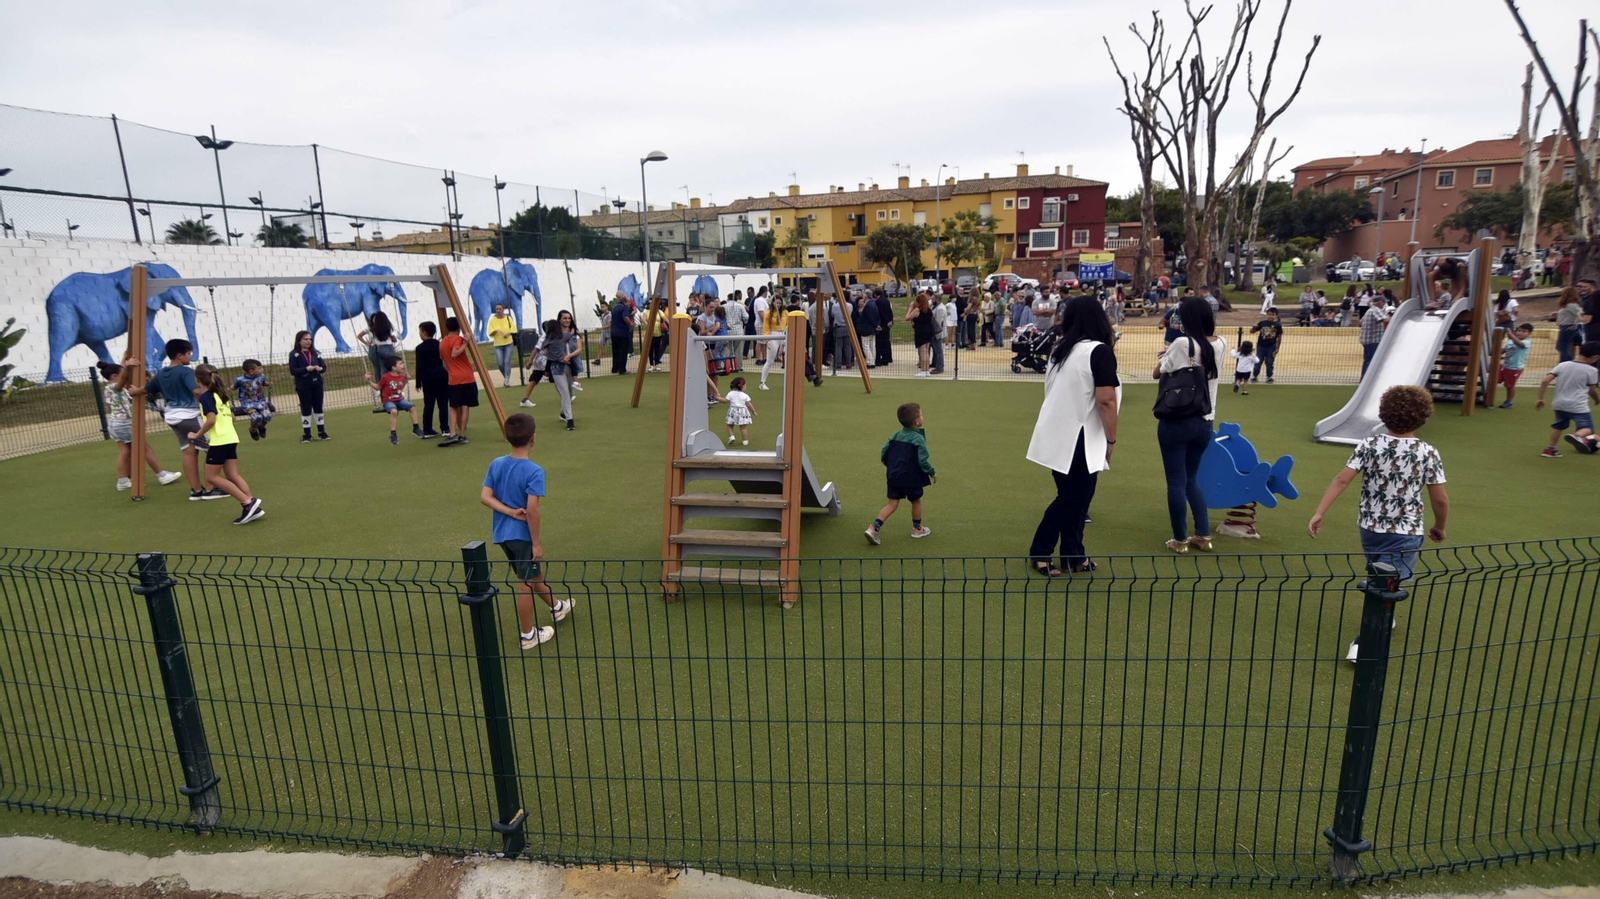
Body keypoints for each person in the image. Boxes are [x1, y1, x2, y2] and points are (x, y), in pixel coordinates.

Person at [1307, 384, 1448, 662]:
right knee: (1388, 584)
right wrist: (1440, 526)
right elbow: (1440, 499)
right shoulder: (1427, 452)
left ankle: (1386, 613)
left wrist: (1320, 511)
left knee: (1381, 577)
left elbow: (1342, 479)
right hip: (1406, 531)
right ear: (1424, 417)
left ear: (1383, 414)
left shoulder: (1370, 445)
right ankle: (1363, 643)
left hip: (1370, 528)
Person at [1025, 295, 1120, 576]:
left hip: (1058, 435)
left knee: (1076, 497)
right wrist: (1111, 439)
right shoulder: (1099, 351)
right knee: (1074, 498)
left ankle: (1073, 555)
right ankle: (1041, 551)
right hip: (1081, 437)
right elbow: (1106, 401)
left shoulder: (1061, 350)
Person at [480, 413, 576, 650]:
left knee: (533, 576)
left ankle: (557, 607)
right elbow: (532, 511)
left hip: (502, 535)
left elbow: (485, 497)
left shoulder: (497, 463)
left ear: (506, 437)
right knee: (524, 582)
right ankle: (528, 636)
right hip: (522, 537)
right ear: (534, 438)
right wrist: (536, 543)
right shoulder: (535, 471)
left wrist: (509, 512)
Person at [1152, 297, 1225, 554]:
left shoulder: (1182, 343)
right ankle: (1203, 535)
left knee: (1175, 481)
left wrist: (1165, 357)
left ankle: (1180, 539)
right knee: (1192, 478)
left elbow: (1157, 373)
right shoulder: (1221, 343)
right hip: (1205, 419)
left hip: (1177, 419)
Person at [129, 338, 215, 500]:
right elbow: (196, 390)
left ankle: (196, 491)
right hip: (189, 415)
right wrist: (215, 398)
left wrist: (134, 391)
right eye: (189, 353)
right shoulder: (186, 371)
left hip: (173, 417)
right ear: (180, 356)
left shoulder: (162, 373)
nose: (190, 356)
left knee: (188, 451)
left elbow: (147, 389)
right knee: (212, 450)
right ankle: (212, 489)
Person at [189, 364, 265, 525]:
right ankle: (252, 506)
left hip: (220, 442)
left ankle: (247, 503)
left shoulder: (206, 396)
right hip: (230, 438)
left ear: (197, 379)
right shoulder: (220, 395)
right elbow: (232, 417)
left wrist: (197, 435)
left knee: (211, 477)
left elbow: (211, 420)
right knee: (232, 475)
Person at [98, 359, 182, 492]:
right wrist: (127, 367)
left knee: (125, 452)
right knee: (145, 449)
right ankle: (162, 475)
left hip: (116, 423)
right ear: (114, 376)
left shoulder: (109, 389)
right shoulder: (114, 388)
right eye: (122, 375)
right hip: (125, 423)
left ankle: (123, 481)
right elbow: (123, 378)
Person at [864, 402, 935, 545]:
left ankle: (873, 528)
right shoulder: (918, 438)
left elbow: (884, 451)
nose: (922, 416)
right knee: (916, 501)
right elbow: (923, 460)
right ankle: (917, 529)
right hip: (912, 478)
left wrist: (889, 465)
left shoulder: (896, 435)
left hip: (894, 475)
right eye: (921, 414)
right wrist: (932, 472)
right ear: (917, 422)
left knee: (891, 504)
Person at [1535, 341, 1600, 457]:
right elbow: (1592, 390)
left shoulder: (1562, 365)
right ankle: (1577, 436)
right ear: (1596, 357)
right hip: (1578, 405)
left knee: (1558, 426)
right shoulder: (1592, 371)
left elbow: (1545, 380)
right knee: (1588, 428)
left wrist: (1540, 398)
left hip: (1559, 404)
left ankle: (1551, 450)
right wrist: (1597, 399)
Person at [364, 356, 423, 444]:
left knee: (412, 407)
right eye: (400, 364)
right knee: (394, 411)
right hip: (388, 400)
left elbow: (400, 388)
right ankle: (393, 434)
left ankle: (416, 428)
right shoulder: (385, 377)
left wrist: (406, 380)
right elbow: (378, 387)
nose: (403, 365)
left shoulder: (402, 376)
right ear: (394, 367)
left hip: (399, 399)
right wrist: (369, 381)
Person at [439, 316, 477, 447]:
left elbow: (444, 363)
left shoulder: (442, 342)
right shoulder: (458, 339)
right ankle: (462, 435)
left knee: (454, 406)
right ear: (459, 328)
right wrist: (465, 343)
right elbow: (455, 353)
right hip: (466, 377)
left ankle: (452, 433)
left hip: (453, 378)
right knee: (465, 405)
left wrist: (452, 371)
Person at [288, 330, 331, 443]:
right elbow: (293, 370)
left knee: (318, 407)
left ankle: (322, 432)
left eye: (310, 339)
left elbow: (324, 367)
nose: (308, 341)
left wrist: (320, 368)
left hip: (317, 383)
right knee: (306, 408)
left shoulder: (315, 353)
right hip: (303, 384)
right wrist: (307, 369)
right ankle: (307, 434)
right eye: (305, 339)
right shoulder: (294, 354)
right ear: (299, 341)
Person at [356, 311, 401, 412]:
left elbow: (359, 336)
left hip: (377, 349)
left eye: (375, 319)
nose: (374, 320)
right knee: (389, 371)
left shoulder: (372, 329)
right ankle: (391, 392)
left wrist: (367, 343)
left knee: (380, 371)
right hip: (386, 350)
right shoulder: (387, 328)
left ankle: (382, 391)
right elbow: (393, 340)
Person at [414, 321, 450, 438]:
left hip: (428, 379)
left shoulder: (420, 348)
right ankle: (445, 428)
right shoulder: (440, 345)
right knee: (443, 403)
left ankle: (427, 429)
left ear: (424, 333)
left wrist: (418, 382)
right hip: (442, 377)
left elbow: (419, 365)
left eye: (420, 331)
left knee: (429, 404)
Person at [232, 359, 273, 440]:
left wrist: (268, 384)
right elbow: (234, 387)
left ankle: (261, 427)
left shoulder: (261, 377)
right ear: (251, 371)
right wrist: (229, 389)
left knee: (267, 415)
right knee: (256, 417)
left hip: (260, 401)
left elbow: (263, 383)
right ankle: (253, 429)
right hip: (247, 403)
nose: (262, 370)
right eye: (259, 368)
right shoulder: (240, 380)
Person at [1498, 323, 1535, 409]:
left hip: (1515, 368)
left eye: (1524, 331)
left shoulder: (1526, 342)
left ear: (1529, 334)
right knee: (1494, 379)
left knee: (1510, 385)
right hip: (1506, 366)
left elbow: (1520, 344)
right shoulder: (1510, 342)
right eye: (1519, 330)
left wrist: (1511, 335)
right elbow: (1502, 351)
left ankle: (1509, 402)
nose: (1520, 333)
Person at [485, 303, 518, 387]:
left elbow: (513, 329)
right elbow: (490, 332)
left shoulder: (508, 318)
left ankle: (507, 379)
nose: (498, 311)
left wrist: (509, 333)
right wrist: (496, 331)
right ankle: (506, 376)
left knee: (507, 361)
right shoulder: (493, 320)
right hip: (498, 344)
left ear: (503, 309)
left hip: (508, 343)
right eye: (497, 309)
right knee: (500, 363)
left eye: (500, 309)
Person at [1249, 308, 1283, 383]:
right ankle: (1255, 376)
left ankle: (1269, 376)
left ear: (1276, 315)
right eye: (1270, 314)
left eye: (1273, 315)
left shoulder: (1278, 325)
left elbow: (1279, 337)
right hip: (1261, 345)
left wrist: (1277, 348)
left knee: (1270, 361)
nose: (1271, 316)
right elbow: (1252, 331)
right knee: (1258, 361)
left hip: (1271, 346)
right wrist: (1254, 328)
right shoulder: (1262, 323)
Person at [1358, 294, 1389, 377]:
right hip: (1373, 340)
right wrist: (1394, 315)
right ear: (1379, 303)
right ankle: (1367, 377)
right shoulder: (1375, 310)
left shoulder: (1370, 310)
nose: (1384, 303)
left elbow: (1361, 321)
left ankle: (1364, 377)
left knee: (1368, 359)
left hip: (1366, 339)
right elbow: (1386, 320)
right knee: (1371, 360)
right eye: (1383, 302)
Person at [758, 301, 786, 390]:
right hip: (773, 335)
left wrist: (784, 342)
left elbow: (788, 325)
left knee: (788, 360)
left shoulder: (785, 312)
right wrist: (767, 339)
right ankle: (762, 382)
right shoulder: (768, 313)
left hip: (783, 334)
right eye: (776, 303)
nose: (778, 305)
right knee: (770, 361)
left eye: (779, 303)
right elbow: (766, 328)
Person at [907, 293, 936, 378]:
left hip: (921, 331)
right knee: (926, 351)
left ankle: (923, 370)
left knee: (923, 351)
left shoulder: (917, 310)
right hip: (928, 330)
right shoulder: (929, 310)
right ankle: (926, 370)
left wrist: (910, 308)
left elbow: (907, 317)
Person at [1555, 287, 1584, 363]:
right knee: (1566, 346)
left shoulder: (1571, 305)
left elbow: (1580, 314)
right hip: (1565, 326)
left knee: (1561, 346)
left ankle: (1568, 361)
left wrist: (1575, 323)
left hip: (1567, 326)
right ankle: (1568, 361)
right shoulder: (1568, 305)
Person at [724, 376, 756, 445]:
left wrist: (718, 398)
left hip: (733, 411)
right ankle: (745, 441)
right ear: (742, 386)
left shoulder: (731, 393)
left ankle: (732, 436)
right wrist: (753, 411)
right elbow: (749, 405)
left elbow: (725, 401)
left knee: (730, 425)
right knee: (743, 427)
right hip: (743, 412)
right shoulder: (745, 395)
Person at [609, 292, 635, 375]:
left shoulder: (615, 308)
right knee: (623, 351)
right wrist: (631, 325)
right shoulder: (624, 308)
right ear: (625, 302)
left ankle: (615, 368)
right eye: (628, 302)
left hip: (613, 333)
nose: (630, 303)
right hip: (622, 333)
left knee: (615, 351)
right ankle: (622, 369)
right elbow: (625, 317)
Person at [723, 289, 746, 372]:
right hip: (738, 331)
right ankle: (739, 367)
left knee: (727, 349)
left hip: (727, 330)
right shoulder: (741, 306)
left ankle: (727, 367)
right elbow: (746, 317)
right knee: (738, 350)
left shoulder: (723, 307)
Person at [873, 290, 896, 367]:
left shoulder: (878, 302)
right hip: (887, 324)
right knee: (886, 341)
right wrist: (890, 321)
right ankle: (886, 358)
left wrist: (878, 324)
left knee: (879, 342)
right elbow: (890, 312)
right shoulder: (887, 301)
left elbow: (879, 313)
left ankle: (879, 360)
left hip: (881, 324)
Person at [928, 292, 948, 374]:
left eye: (933, 299)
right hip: (935, 331)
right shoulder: (936, 307)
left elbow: (939, 322)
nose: (932, 300)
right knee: (935, 348)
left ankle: (940, 366)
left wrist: (935, 332)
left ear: (937, 299)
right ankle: (935, 363)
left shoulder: (940, 309)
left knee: (938, 349)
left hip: (937, 332)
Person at [1577, 278, 1599, 345]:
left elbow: (1586, 320)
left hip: (1593, 331)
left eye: (1584, 287)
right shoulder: (1586, 299)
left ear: (1592, 287)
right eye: (1579, 286)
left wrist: (1577, 313)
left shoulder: (1590, 301)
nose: (1581, 288)